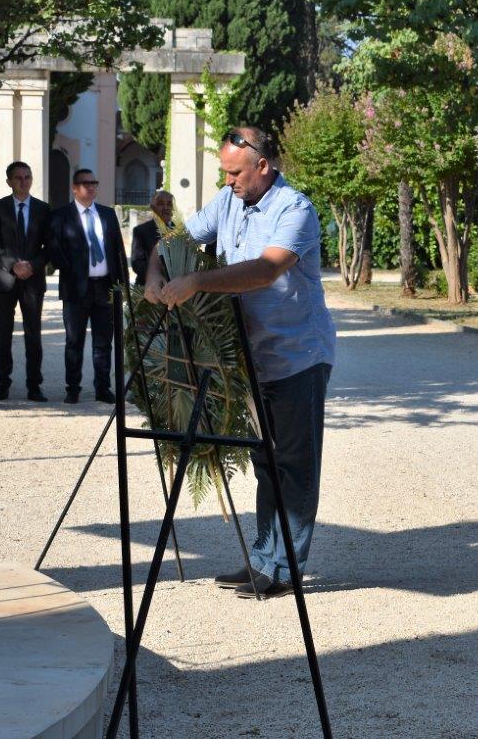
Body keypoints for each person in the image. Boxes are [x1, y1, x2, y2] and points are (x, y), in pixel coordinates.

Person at [146, 127, 336, 599]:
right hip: (248, 358)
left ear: (263, 166)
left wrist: (196, 282)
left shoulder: (296, 210)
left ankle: (285, 568)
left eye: (234, 172)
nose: (227, 181)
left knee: (293, 464)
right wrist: (155, 271)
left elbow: (267, 269)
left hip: (297, 356)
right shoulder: (230, 200)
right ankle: (263, 561)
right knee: (265, 461)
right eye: (225, 172)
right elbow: (174, 241)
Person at [47, 168, 125, 404]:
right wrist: (71, 270)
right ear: (74, 187)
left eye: (94, 182)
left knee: (104, 342)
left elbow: (118, 250)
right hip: (76, 289)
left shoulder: (108, 215)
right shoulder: (61, 215)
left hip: (105, 288)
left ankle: (103, 388)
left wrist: (122, 287)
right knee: (74, 341)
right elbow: (53, 248)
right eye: (85, 183)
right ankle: (73, 388)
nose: (91, 187)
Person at [0, 161, 49, 402]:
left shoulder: (43, 209)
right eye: (18, 178)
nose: (23, 181)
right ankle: (3, 383)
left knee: (33, 333)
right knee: (3, 333)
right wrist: (12, 264)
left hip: (32, 279)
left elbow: (49, 246)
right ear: (9, 181)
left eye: (27, 177)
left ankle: (35, 386)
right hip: (4, 279)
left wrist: (31, 265)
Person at [131, 190, 175, 286]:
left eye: (169, 204)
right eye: (160, 204)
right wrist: (156, 276)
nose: (166, 207)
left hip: (177, 290)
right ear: (152, 208)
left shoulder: (181, 232)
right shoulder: (140, 231)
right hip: (148, 289)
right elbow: (137, 263)